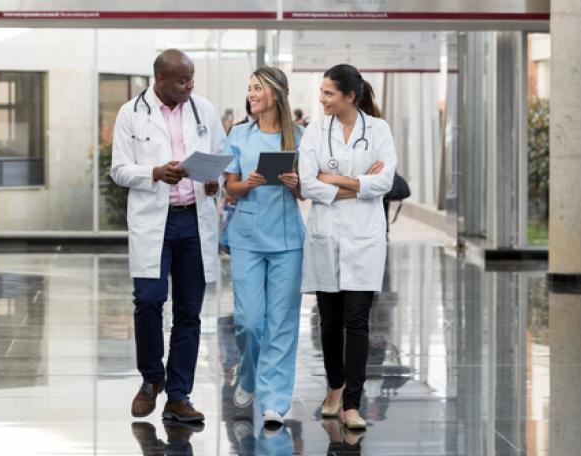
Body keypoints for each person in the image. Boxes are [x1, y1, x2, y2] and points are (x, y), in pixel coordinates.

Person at [110, 49, 227, 424]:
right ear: (160, 79)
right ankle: (151, 379)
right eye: (182, 80)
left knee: (188, 313)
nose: (190, 86)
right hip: (153, 223)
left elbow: (223, 159)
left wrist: (214, 182)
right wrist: (156, 173)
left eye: (192, 79)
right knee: (148, 301)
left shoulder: (203, 110)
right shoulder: (131, 113)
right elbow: (119, 170)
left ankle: (179, 396)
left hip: (194, 221)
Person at [298, 64, 396, 430]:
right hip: (326, 237)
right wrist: (358, 184)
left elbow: (384, 181)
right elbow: (308, 184)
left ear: (350, 97)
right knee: (330, 320)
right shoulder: (314, 131)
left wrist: (335, 180)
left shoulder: (379, 130)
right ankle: (335, 386)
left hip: (364, 238)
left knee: (357, 321)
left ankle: (352, 403)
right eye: (321, 92)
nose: (321, 99)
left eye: (328, 93)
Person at [223, 66, 305, 427]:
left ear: (276, 94)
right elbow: (230, 189)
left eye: (257, 88)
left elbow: (306, 192)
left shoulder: (300, 137)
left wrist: (293, 183)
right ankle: (248, 376)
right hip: (248, 236)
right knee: (249, 321)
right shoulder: (239, 134)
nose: (251, 94)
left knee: (282, 323)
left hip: (287, 239)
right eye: (249, 88)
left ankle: (275, 401)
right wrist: (251, 183)